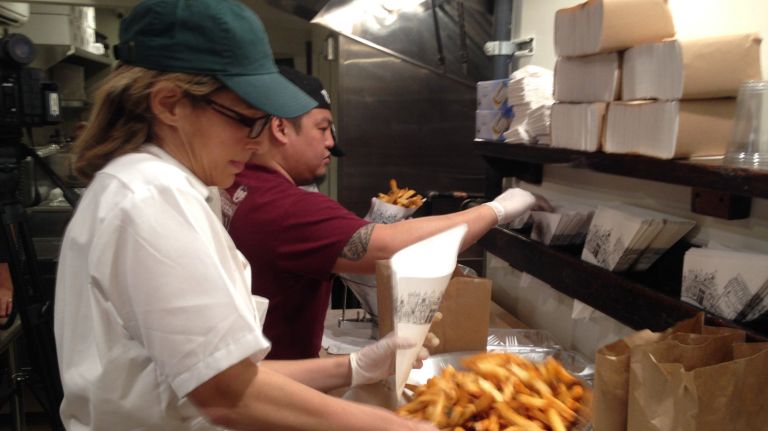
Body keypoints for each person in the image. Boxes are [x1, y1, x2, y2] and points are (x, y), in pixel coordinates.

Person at [54, 1, 438, 430]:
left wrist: (353, 369)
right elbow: (227, 398)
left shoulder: (171, 189)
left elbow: (219, 374)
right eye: (246, 121)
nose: (257, 144)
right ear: (169, 105)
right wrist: (398, 427)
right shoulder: (149, 199)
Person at [224, 66, 549, 359]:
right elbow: (391, 248)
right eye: (322, 129)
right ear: (280, 128)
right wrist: (497, 209)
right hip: (272, 394)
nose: (330, 143)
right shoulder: (284, 206)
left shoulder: (237, 183)